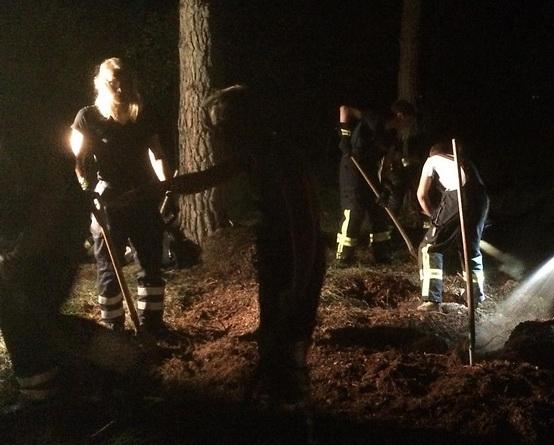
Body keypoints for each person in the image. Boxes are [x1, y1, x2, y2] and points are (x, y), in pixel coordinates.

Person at [131, 84, 326, 406]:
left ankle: (298, 416)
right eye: (214, 127)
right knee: (272, 339)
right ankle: (278, 402)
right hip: (276, 255)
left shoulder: (279, 156)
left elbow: (304, 226)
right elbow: (208, 177)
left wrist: (298, 285)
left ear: (246, 119)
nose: (219, 135)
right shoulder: (256, 152)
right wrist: (154, 190)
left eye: (223, 124)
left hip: (296, 260)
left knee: (290, 344)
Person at [70, 57, 173, 333]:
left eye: (124, 81)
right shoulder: (88, 117)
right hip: (108, 201)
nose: (119, 87)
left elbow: (158, 154)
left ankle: (153, 323)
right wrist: (85, 191)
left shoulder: (144, 114)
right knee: (108, 266)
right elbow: (77, 160)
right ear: (103, 84)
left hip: (144, 195)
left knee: (150, 261)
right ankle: (113, 325)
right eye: (113, 82)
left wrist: (167, 187)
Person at [0, 130, 86, 403]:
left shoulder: (25, 140)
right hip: (27, 235)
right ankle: (44, 388)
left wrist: (20, 252)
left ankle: (49, 392)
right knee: (25, 313)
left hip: (56, 234)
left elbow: (53, 196)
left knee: (28, 311)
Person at [336, 101, 415, 265]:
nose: (409, 125)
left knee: (379, 208)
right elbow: (346, 108)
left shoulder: (393, 137)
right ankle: (344, 255)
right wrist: (345, 136)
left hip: (371, 169)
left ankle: (381, 252)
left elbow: (386, 163)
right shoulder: (374, 119)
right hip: (352, 164)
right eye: (409, 120)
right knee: (355, 208)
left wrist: (385, 185)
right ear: (401, 116)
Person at [416, 141, 489, 312]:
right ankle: (475, 298)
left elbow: (421, 195)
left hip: (458, 195)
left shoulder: (432, 159)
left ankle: (431, 300)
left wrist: (434, 217)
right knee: (469, 248)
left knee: (429, 247)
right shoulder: (464, 161)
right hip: (482, 198)